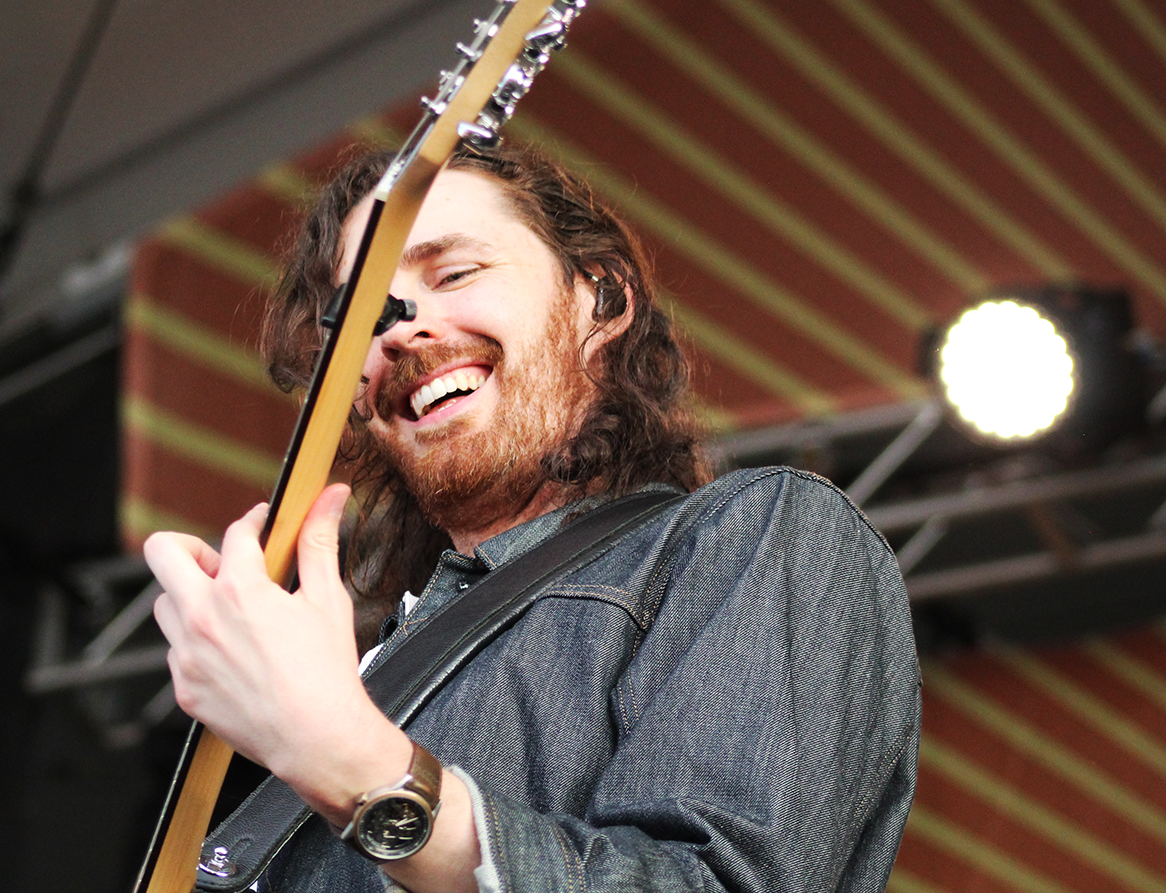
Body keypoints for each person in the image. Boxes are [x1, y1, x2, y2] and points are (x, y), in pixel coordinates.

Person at [144, 146, 921, 893]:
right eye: (359, 321)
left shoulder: (761, 534)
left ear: (601, 296)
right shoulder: (368, 676)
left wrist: (352, 763)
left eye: (454, 272)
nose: (400, 329)